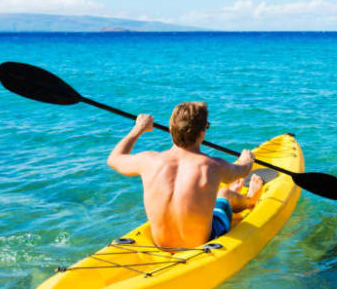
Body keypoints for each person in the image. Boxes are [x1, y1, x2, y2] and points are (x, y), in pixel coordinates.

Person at [106, 101, 263, 248]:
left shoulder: (149, 161)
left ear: (170, 128)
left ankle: (235, 198)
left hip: (161, 245)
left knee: (220, 194)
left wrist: (139, 128)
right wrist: (246, 160)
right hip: (204, 242)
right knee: (224, 193)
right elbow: (242, 171)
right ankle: (249, 200)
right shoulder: (213, 166)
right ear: (202, 133)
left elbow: (114, 159)